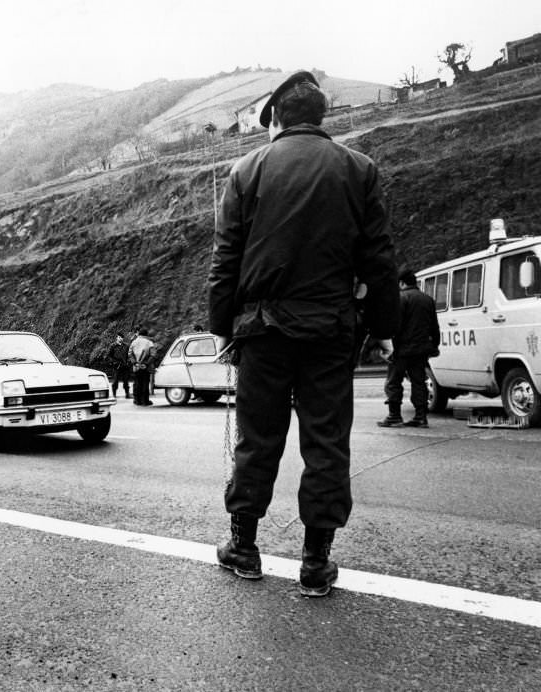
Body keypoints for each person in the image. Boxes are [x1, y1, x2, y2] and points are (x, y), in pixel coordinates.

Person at [207, 71, 399, 597]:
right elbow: (378, 257)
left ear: (278, 120)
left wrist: (221, 327)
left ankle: (243, 548)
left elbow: (226, 259)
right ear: (319, 117)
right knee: (327, 444)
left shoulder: (247, 170)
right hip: (331, 331)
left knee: (258, 440)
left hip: (263, 330)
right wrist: (384, 328)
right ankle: (316, 563)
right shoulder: (359, 169)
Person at [377, 267, 441, 428]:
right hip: (421, 350)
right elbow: (435, 327)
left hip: (402, 349)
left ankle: (394, 416)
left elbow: (396, 326)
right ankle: (421, 417)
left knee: (393, 382)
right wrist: (434, 345)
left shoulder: (401, 298)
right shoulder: (428, 299)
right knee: (419, 382)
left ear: (401, 283)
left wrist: (392, 349)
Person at [129, 328, 155, 406]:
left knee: (137, 383)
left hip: (136, 366)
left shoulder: (134, 342)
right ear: (146, 334)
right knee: (145, 383)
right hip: (145, 367)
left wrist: (135, 363)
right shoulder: (149, 342)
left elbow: (130, 354)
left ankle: (137, 400)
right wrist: (146, 363)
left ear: (139, 334)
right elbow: (153, 355)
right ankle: (145, 401)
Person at [106, 333, 132, 399]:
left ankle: (127, 394)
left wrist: (128, 362)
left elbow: (129, 355)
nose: (121, 338)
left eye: (122, 337)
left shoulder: (126, 346)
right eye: (119, 337)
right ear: (117, 338)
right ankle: (114, 394)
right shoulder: (113, 346)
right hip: (116, 366)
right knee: (115, 380)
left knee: (126, 381)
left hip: (124, 365)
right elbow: (109, 356)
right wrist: (114, 362)